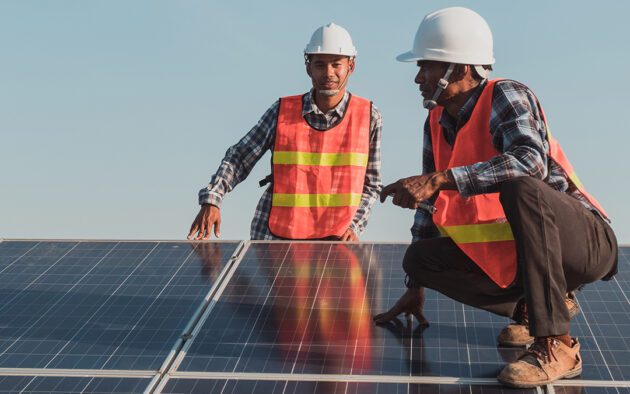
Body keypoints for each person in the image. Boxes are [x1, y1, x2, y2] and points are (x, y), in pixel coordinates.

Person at [373, 7, 618, 388]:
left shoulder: (506, 94)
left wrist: (441, 179)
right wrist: (414, 287)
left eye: (427, 66)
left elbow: (530, 163)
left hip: (585, 244)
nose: (419, 78)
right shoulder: (436, 121)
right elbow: (429, 207)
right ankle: (528, 307)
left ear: (460, 68)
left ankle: (557, 342)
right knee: (419, 258)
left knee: (522, 187)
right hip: (527, 255)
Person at [187, 23, 382, 241]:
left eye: (336, 64)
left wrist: (354, 227)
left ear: (351, 66)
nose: (329, 72)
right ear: (308, 68)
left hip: (335, 244)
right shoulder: (282, 111)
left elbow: (371, 185)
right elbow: (239, 158)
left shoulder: (368, 116)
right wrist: (212, 198)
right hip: (277, 239)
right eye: (320, 65)